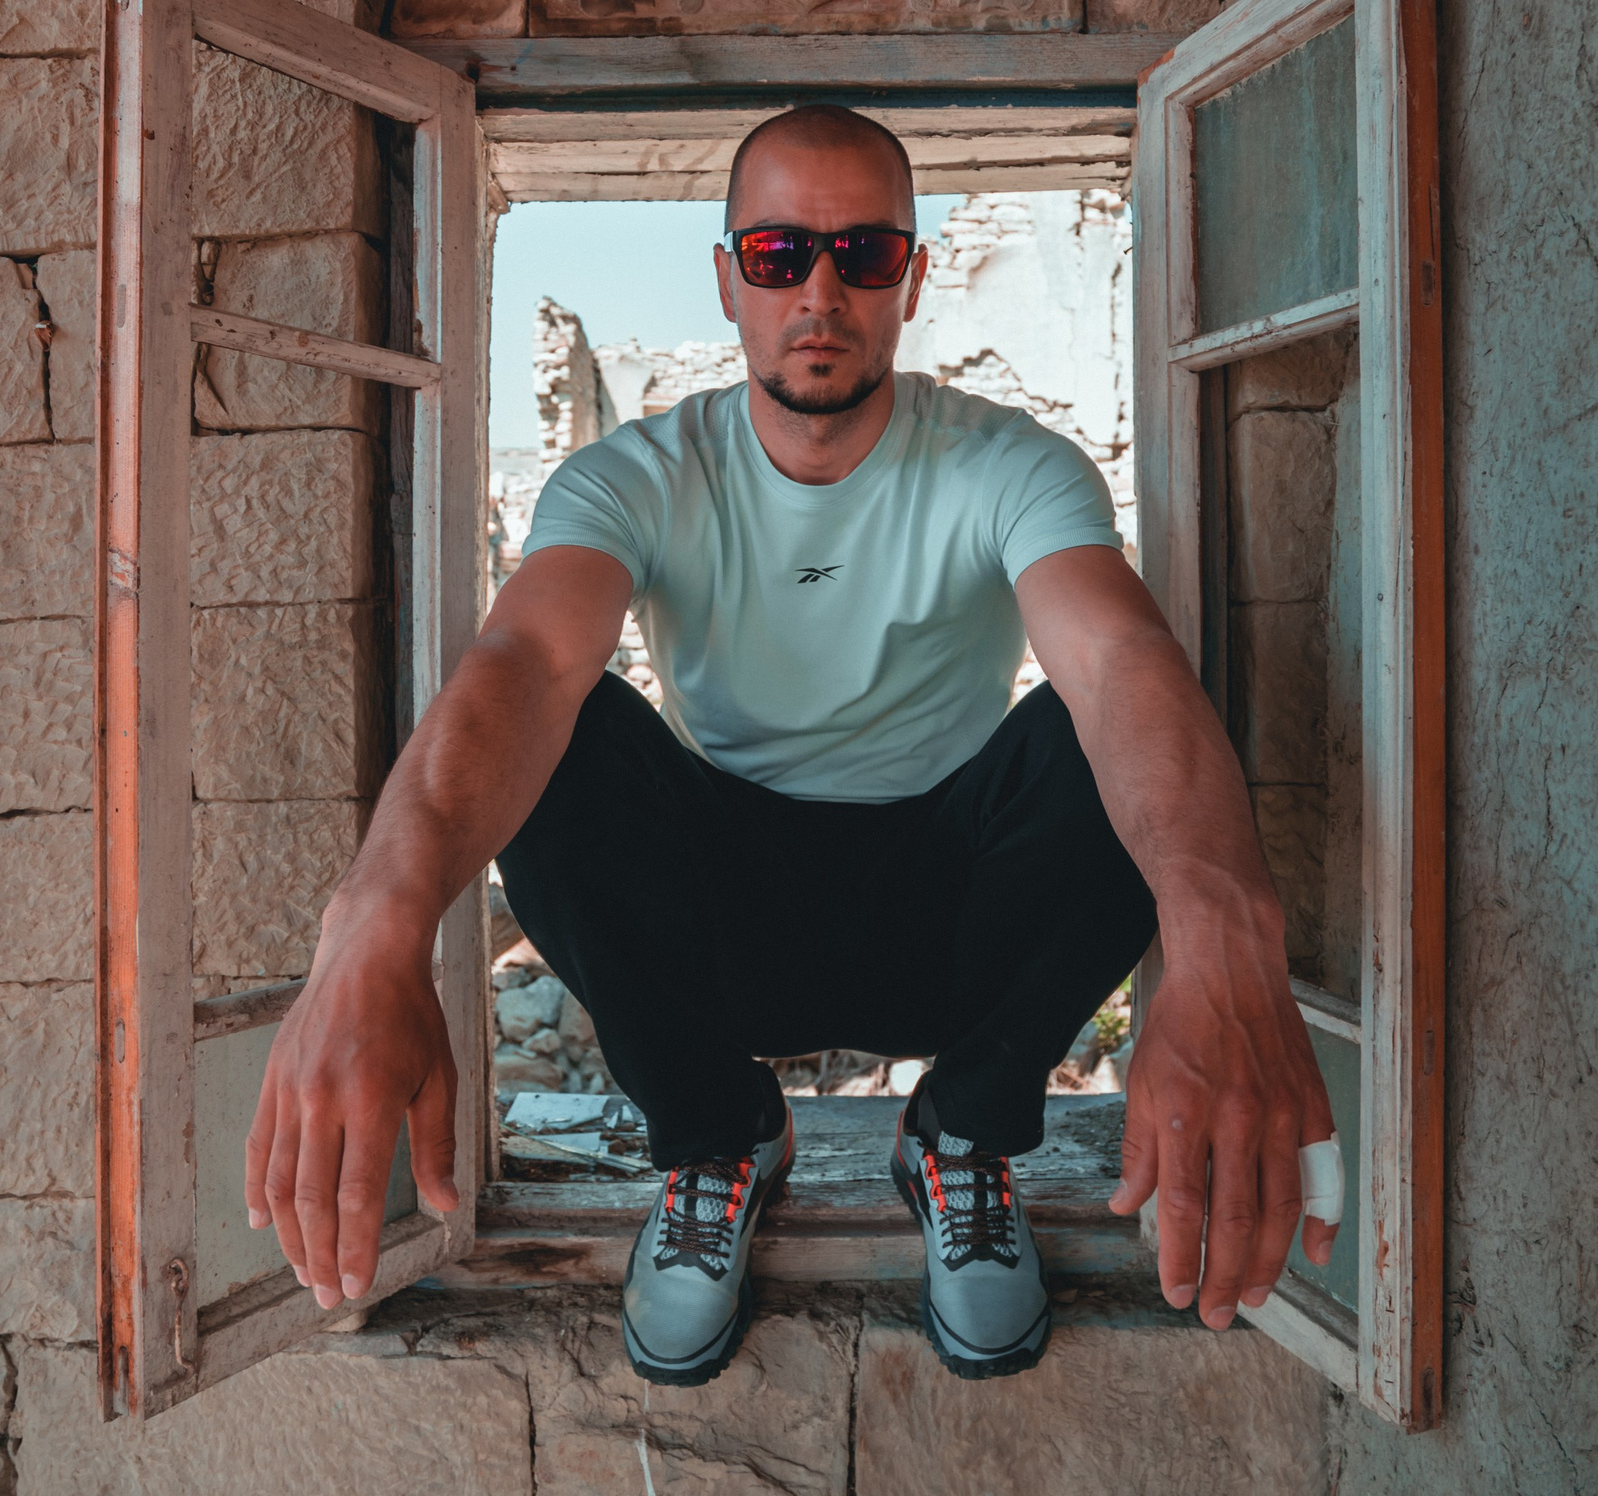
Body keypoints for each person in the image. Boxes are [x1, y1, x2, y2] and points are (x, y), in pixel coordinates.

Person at [247, 104, 1340, 1383]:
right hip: (724, 928)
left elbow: (1114, 662)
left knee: (1113, 723)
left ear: (912, 281)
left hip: (954, 923)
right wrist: (372, 925)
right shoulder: (637, 475)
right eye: (778, 255)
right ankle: (717, 1140)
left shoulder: (1009, 465)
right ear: (728, 281)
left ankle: (962, 1137)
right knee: (557, 736)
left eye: (864, 255)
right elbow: (526, 665)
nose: (821, 292)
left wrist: (1224, 935)